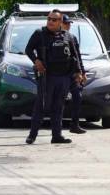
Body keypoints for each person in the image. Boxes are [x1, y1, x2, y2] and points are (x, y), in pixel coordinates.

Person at [24, 9, 82, 145]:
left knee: (58, 107)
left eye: (54, 20)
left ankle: (57, 136)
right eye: (49, 19)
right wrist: (36, 61)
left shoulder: (68, 36)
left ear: (60, 22)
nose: (50, 21)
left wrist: (79, 72)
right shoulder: (40, 34)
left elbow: (75, 56)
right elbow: (28, 49)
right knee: (41, 106)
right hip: (47, 77)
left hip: (64, 78)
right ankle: (32, 135)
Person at [62, 14, 87, 134]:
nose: (68, 25)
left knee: (77, 96)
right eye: (66, 23)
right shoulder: (51, 37)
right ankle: (56, 127)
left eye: (69, 23)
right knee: (58, 100)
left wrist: (82, 72)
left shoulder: (72, 37)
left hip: (72, 73)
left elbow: (77, 56)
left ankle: (74, 125)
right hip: (59, 75)